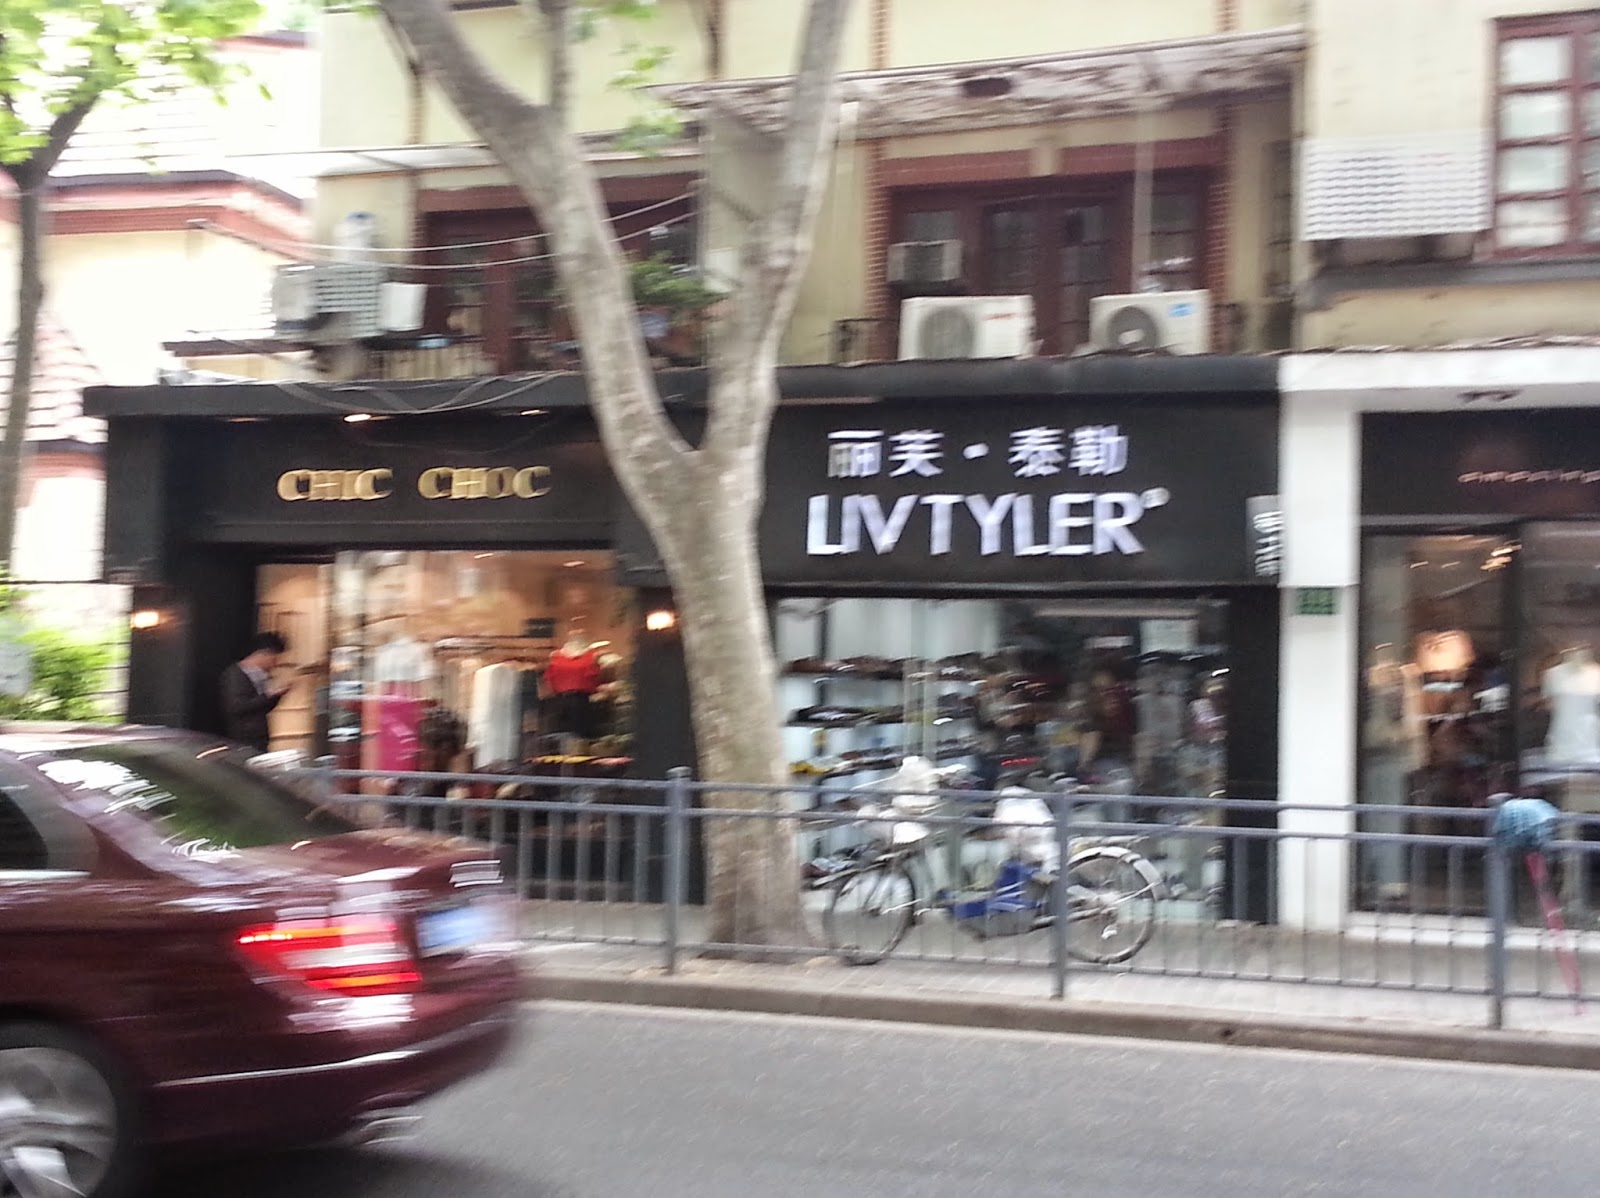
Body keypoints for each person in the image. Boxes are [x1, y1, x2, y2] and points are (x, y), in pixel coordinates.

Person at [220, 632, 289, 752]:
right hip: (243, 738)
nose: (275, 663)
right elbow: (237, 706)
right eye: (274, 658)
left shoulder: (263, 676)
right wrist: (268, 695)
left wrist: (277, 694)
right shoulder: (235, 675)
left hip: (259, 738)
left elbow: (264, 708)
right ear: (263, 654)